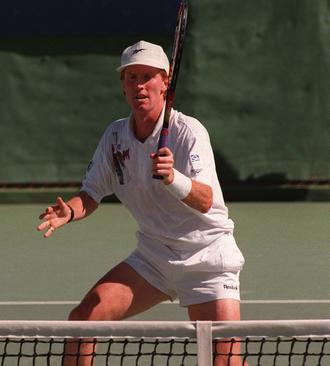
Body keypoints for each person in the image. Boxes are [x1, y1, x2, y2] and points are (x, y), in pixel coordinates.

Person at [37, 41, 245, 366]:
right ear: (123, 86)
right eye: (131, 77)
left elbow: (206, 201)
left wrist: (173, 178)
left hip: (207, 260)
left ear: (165, 81)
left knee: (226, 364)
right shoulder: (115, 136)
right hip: (153, 259)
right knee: (82, 321)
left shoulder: (189, 132)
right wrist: (71, 211)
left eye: (147, 76)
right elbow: (91, 193)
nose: (139, 85)